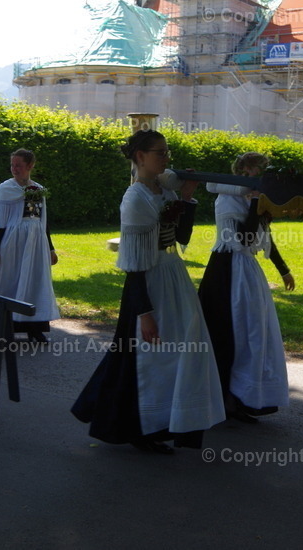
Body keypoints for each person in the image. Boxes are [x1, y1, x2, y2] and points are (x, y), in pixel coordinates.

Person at [71, 129, 225, 454]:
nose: (166, 158)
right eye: (160, 153)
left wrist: (186, 196)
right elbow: (135, 263)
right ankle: (144, 427)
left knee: (183, 348)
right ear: (141, 157)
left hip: (173, 275)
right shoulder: (136, 198)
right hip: (149, 284)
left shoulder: (162, 190)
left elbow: (180, 237)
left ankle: (168, 421)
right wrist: (144, 313)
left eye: (167, 152)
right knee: (149, 357)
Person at [198, 152, 294, 423]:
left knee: (253, 335)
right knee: (231, 333)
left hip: (247, 271)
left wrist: (283, 269)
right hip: (226, 270)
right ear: (244, 170)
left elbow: (264, 236)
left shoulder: (255, 198)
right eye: (257, 170)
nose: (260, 175)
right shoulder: (227, 198)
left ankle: (242, 399)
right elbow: (244, 237)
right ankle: (224, 401)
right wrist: (254, 203)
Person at [0, 149, 59, 343]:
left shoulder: (38, 189)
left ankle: (34, 327)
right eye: (12, 165)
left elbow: (43, 221)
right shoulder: (5, 189)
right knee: (6, 281)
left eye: (18, 165)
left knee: (34, 282)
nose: (14, 169)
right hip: (11, 243)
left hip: (35, 245)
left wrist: (50, 248)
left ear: (30, 166)